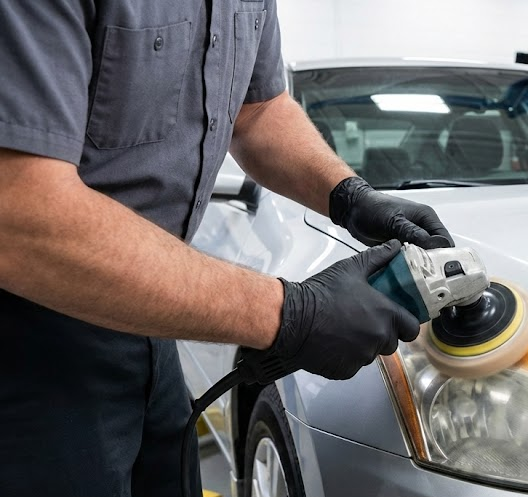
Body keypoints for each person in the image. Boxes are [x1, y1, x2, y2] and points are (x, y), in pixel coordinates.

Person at [0, 1, 451, 496]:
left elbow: (257, 112)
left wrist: (347, 195)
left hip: (148, 334)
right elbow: (18, 211)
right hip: (27, 341)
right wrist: (290, 313)